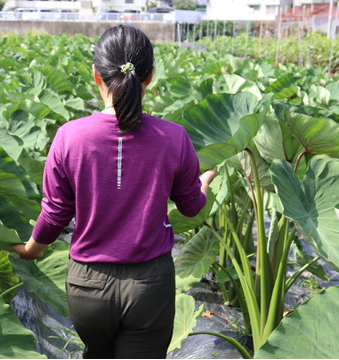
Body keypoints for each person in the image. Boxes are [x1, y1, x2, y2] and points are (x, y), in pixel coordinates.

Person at [11, 24, 218, 359]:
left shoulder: (70, 136)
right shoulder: (173, 137)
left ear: (96, 75)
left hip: (87, 285)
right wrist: (203, 184)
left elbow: (55, 212)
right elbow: (192, 207)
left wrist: (32, 249)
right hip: (149, 285)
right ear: (150, 76)